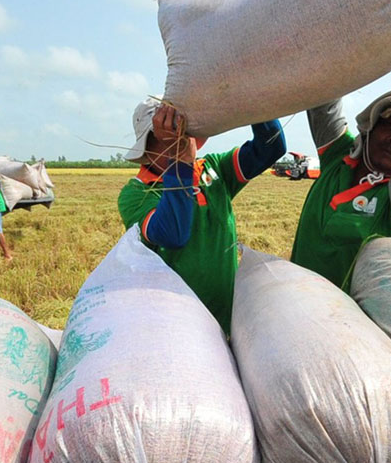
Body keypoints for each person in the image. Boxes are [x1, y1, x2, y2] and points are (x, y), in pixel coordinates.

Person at [290, 19, 391, 288]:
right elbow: (324, 94)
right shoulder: (338, 155)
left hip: (349, 323)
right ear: (370, 127)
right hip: (294, 304)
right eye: (390, 124)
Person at [117, 100, 285, 333]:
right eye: (168, 138)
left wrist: (251, 100)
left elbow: (271, 148)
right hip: (176, 327)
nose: (183, 142)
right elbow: (173, 234)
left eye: (183, 134)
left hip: (227, 319)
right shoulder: (136, 193)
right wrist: (181, 165)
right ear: (149, 146)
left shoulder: (214, 169)